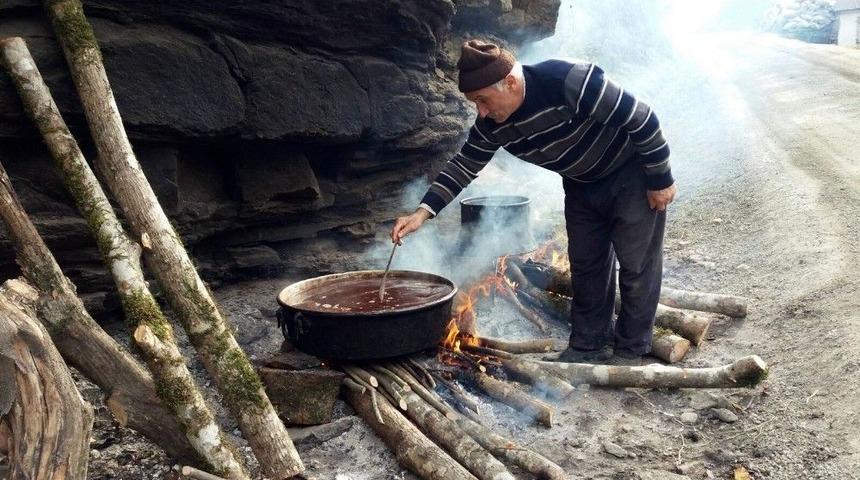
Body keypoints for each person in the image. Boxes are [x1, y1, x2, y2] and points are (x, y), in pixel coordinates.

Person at [390, 40, 676, 365]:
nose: (480, 112)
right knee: (587, 265)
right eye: (474, 104)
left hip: (631, 176)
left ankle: (630, 350)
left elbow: (642, 118)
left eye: (482, 100)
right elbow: (463, 165)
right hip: (581, 186)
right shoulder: (491, 126)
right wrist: (422, 213)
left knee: (637, 265)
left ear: (510, 82)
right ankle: (587, 346)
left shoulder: (571, 81)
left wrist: (660, 178)